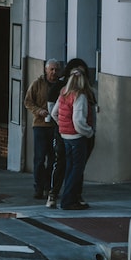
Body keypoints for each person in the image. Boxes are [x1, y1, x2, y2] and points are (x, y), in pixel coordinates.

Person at [51, 66, 96, 210]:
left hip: (65, 136)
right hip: (77, 137)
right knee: (76, 170)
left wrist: (62, 126)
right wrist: (89, 132)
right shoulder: (80, 96)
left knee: (70, 168)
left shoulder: (63, 93)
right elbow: (79, 121)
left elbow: (54, 113)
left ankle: (68, 199)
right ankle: (69, 201)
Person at [24, 59, 63, 200]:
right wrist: (38, 111)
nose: (54, 72)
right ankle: (38, 187)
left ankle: (49, 187)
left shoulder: (61, 85)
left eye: (56, 70)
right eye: (51, 69)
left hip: (56, 126)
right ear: (46, 70)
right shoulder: (37, 84)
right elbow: (28, 101)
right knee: (39, 158)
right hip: (40, 125)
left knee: (54, 158)